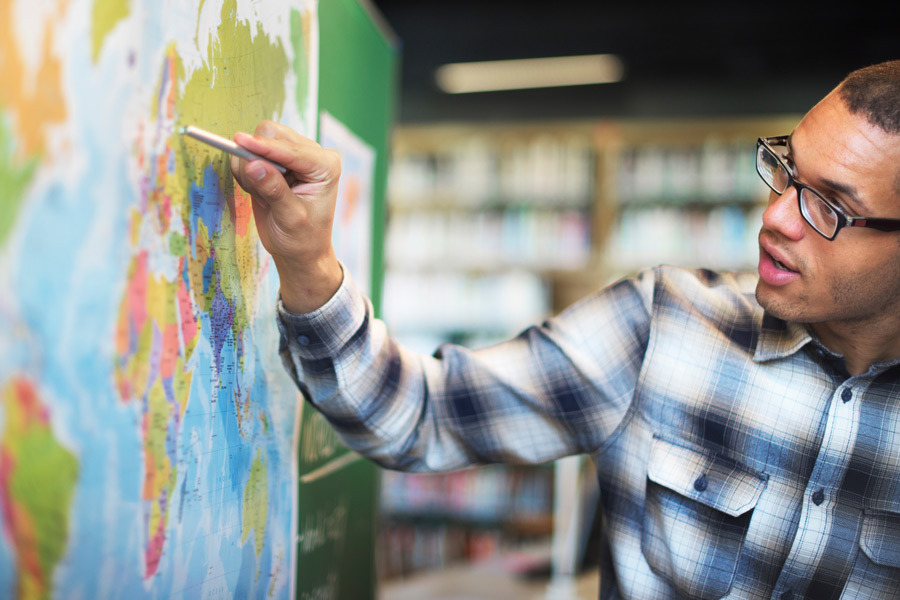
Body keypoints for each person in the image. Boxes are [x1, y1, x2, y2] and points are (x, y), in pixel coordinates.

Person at [230, 60, 900, 599]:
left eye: (830, 207)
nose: (778, 217)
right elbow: (419, 414)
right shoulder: (665, 325)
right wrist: (309, 264)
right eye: (786, 172)